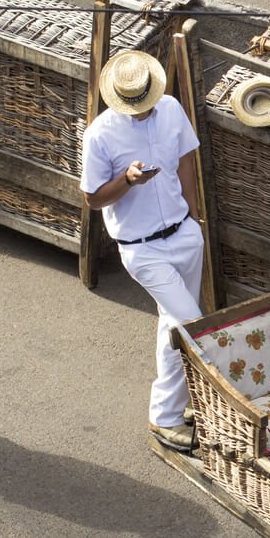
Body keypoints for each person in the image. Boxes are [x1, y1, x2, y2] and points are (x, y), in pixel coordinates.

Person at [80, 48, 205, 451]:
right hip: (142, 249)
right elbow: (93, 198)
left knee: (172, 326)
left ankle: (170, 414)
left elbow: (185, 159)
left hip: (184, 235)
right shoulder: (99, 134)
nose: (140, 111)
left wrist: (194, 217)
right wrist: (128, 181)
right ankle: (176, 413)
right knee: (191, 325)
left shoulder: (170, 109)